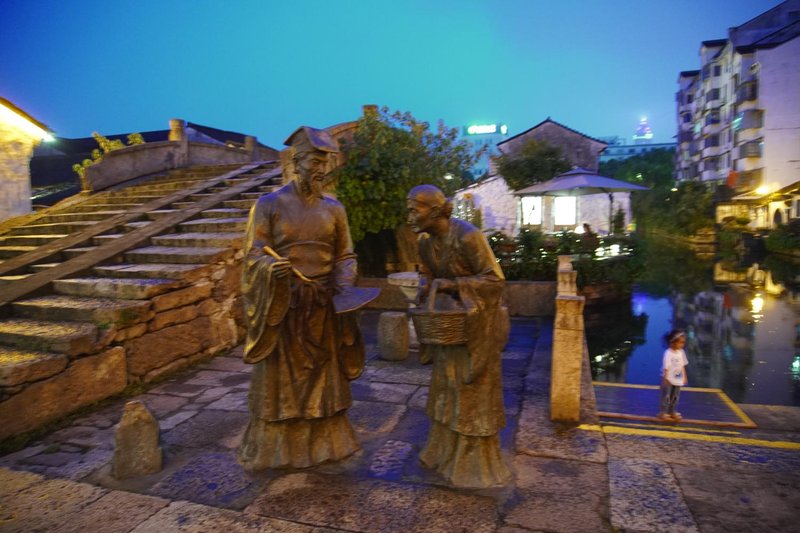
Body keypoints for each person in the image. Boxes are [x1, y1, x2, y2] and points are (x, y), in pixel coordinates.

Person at [237, 126, 365, 470]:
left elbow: (345, 255)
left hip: (323, 304)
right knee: (282, 381)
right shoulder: (268, 205)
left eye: (325, 163)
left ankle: (327, 441)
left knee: (324, 377)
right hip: (285, 304)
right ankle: (279, 447)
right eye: (314, 162)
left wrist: (344, 285)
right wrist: (270, 267)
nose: (320, 169)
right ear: (296, 163)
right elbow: (253, 253)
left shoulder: (334, 209)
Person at [406, 184, 511, 488]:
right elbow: (427, 274)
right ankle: (443, 451)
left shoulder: (468, 236)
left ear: (435, 211)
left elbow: (495, 280)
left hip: (476, 327)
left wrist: (454, 284)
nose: (409, 216)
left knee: (470, 387)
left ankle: (473, 462)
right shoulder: (424, 242)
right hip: (448, 324)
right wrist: (425, 285)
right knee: (446, 386)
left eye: (414, 209)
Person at [658, 329, 689, 422]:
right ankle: (663, 412)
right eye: (680, 342)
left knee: (675, 396)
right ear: (673, 342)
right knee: (667, 396)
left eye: (683, 342)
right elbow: (666, 367)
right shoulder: (668, 353)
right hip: (669, 379)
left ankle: (672, 411)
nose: (682, 345)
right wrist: (665, 378)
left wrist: (685, 376)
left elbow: (682, 365)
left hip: (678, 379)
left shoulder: (681, 352)